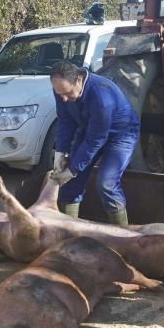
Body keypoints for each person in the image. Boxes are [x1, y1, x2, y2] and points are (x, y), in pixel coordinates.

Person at [48, 60, 140, 227]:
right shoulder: (61, 90)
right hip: (89, 130)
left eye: (67, 94)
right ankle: (70, 236)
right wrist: (60, 153)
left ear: (78, 80)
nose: (64, 98)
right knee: (69, 185)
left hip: (120, 135)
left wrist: (72, 169)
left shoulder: (102, 96)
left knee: (106, 183)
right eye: (59, 93)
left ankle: (123, 236)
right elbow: (65, 122)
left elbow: (95, 140)